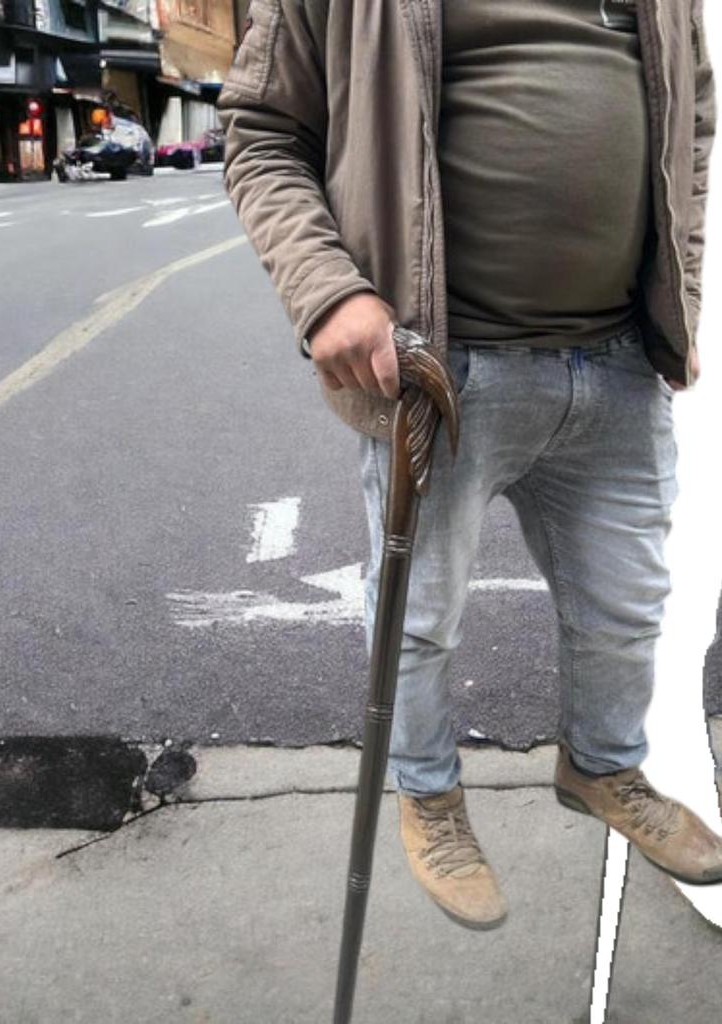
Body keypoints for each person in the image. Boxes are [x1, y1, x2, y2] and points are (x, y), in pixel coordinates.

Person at [217, 0, 722, 929]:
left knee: (630, 605)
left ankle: (603, 767)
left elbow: (690, 115)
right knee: (419, 619)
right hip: (445, 369)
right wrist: (326, 291)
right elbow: (258, 129)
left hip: (615, 362)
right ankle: (429, 794)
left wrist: (681, 291)